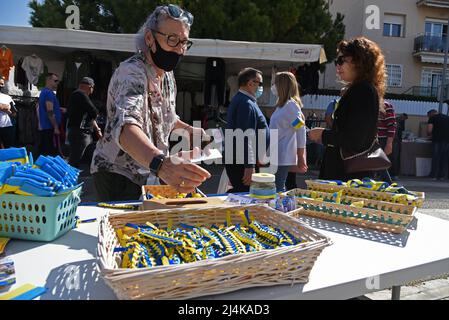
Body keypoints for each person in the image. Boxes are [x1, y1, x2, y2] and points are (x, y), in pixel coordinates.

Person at [90, 4, 211, 202]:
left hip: (146, 170)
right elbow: (126, 128)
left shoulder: (167, 76)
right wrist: (163, 165)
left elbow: (167, 117)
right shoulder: (131, 73)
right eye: (172, 40)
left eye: (184, 42)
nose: (179, 49)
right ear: (149, 38)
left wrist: (191, 131)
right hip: (117, 173)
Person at [308, 37, 386, 181]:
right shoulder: (360, 89)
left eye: (341, 61)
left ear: (359, 61)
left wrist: (323, 134)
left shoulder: (363, 91)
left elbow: (355, 139)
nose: (337, 67)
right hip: (346, 174)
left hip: (347, 177)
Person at [225, 68, 269, 193]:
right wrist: (249, 166)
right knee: (244, 196)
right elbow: (244, 136)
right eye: (260, 83)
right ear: (250, 83)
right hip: (241, 162)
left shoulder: (244, 100)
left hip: (240, 160)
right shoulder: (246, 103)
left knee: (241, 193)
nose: (261, 87)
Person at [269, 72, 307, 192]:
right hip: (277, 154)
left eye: (275, 83)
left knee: (278, 187)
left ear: (282, 85)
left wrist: (300, 156)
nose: (273, 86)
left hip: (283, 154)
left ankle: (280, 210)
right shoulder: (282, 105)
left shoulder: (290, 106)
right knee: (276, 186)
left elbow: (300, 130)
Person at [67, 77, 102, 168]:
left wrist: (97, 129)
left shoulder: (75, 95)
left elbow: (90, 115)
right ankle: (70, 179)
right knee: (75, 159)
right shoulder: (81, 95)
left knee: (82, 157)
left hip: (78, 132)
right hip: (81, 132)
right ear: (90, 87)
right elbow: (93, 112)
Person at [37, 73, 62, 156]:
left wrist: (60, 109)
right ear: (49, 80)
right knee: (48, 154)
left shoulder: (45, 92)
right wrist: (55, 127)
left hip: (46, 127)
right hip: (49, 128)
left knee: (44, 153)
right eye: (55, 81)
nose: (57, 83)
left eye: (58, 81)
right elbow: (50, 111)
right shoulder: (48, 93)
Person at [375, 101, 397, 183]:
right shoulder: (369, 104)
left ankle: (388, 183)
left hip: (382, 140)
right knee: (376, 164)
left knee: (380, 163)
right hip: (371, 139)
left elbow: (392, 125)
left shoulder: (386, 105)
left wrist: (389, 143)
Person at [427, 109, 449, 180]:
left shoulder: (432, 118)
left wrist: (429, 135)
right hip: (446, 140)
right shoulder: (447, 117)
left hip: (436, 139)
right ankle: (442, 175)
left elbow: (429, 130)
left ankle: (433, 175)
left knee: (436, 157)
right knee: (444, 157)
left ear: (431, 114)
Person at [0, 76, 16, 148]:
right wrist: (5, 107)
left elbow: (14, 112)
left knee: (8, 149)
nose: (1, 86)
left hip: (7, 127)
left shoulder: (7, 97)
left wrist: (9, 111)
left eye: (2, 84)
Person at [391, 113, 408, 178]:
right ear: (403, 117)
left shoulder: (399, 120)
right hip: (395, 141)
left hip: (396, 141)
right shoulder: (397, 121)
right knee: (395, 157)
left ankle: (394, 173)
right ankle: (394, 173)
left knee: (394, 157)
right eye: (405, 119)